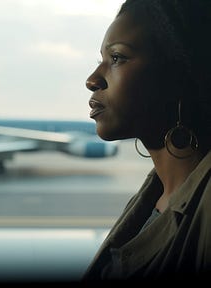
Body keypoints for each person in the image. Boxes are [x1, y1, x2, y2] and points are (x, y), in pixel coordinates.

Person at [83, 0, 211, 281]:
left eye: (117, 58)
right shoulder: (153, 195)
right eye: (100, 61)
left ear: (180, 74)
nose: (92, 80)